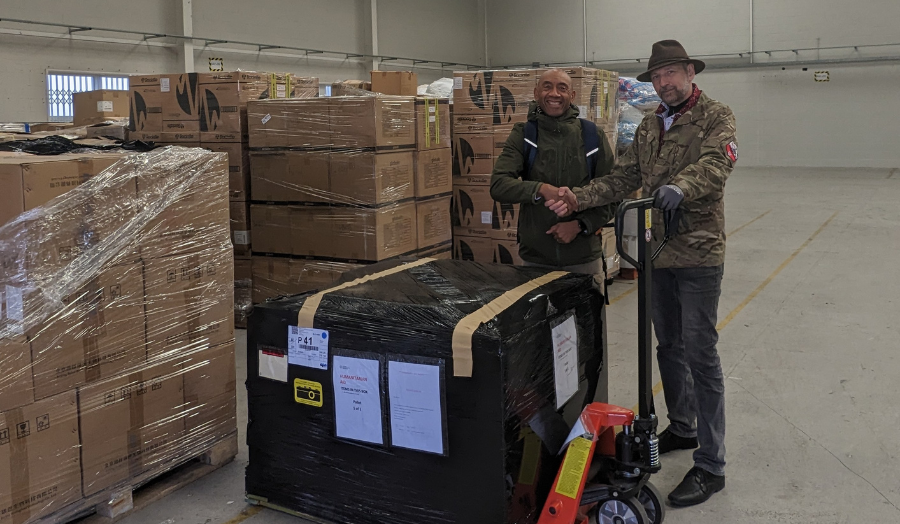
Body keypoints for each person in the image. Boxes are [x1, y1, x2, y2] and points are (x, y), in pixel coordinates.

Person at [547, 40, 738, 507]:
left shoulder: (716, 115)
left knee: (700, 352)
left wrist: (680, 185)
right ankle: (685, 426)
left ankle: (711, 466)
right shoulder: (650, 125)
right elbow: (621, 177)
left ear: (690, 72)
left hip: (697, 254)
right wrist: (577, 197)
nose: (665, 82)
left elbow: (719, 163)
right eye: (657, 77)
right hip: (656, 253)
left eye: (672, 72)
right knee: (668, 346)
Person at [490, 68, 617, 287]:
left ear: (572, 96)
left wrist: (579, 225)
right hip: (535, 260)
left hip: (584, 259)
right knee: (538, 321)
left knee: (587, 321)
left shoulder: (591, 136)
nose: (554, 94)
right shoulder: (524, 135)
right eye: (547, 87)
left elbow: (612, 193)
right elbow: (499, 185)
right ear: (536, 93)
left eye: (562, 88)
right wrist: (539, 189)